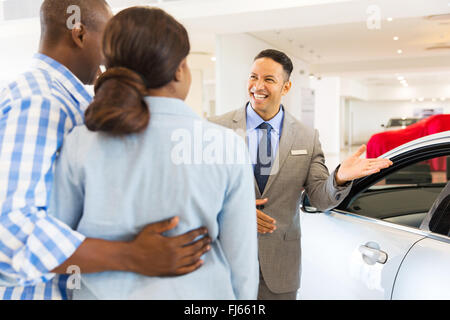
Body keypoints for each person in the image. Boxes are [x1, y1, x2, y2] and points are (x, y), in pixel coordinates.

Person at [0, 0, 211, 300]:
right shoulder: (41, 101)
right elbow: (9, 232)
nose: (113, 55)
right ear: (80, 34)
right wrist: (131, 255)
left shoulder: (67, 99)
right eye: (109, 39)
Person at [48, 6, 258, 300]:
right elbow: (242, 262)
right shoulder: (226, 145)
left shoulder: (82, 142)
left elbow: (53, 248)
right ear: (178, 70)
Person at [209, 49, 393, 300]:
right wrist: (234, 209)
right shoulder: (216, 128)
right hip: (224, 263)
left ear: (286, 87)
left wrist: (339, 178)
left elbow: (320, 198)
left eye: (269, 80)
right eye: (253, 77)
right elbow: (196, 191)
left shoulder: (307, 137)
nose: (257, 86)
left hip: (279, 268)